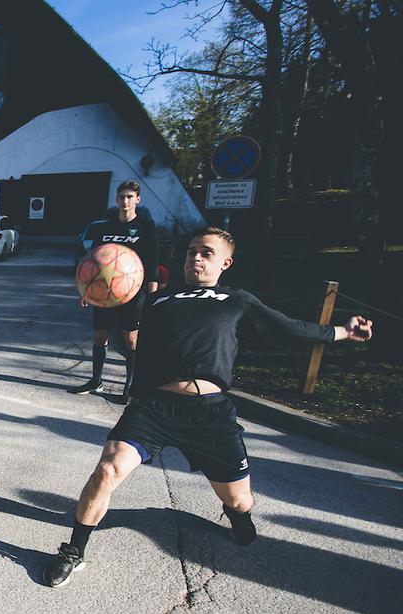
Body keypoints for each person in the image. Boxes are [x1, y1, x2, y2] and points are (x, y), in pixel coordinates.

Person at [43, 227, 373, 587]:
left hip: (210, 413)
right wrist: (99, 293)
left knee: (240, 500)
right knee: (106, 470)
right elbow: (127, 330)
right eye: (191, 252)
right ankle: (74, 551)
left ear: (225, 262)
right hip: (155, 408)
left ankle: (238, 516)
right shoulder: (158, 300)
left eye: (206, 253)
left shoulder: (236, 300)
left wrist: (343, 331)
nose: (195, 258)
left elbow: (291, 328)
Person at [69, 181, 159, 403]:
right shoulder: (106, 227)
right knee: (100, 335)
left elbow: (153, 262)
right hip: (103, 293)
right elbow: (94, 260)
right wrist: (85, 291)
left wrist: (153, 295)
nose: (125, 200)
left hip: (133, 292)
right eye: (121, 196)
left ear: (137, 199)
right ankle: (96, 381)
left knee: (131, 340)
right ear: (117, 199)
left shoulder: (147, 228)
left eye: (129, 196)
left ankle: (130, 387)